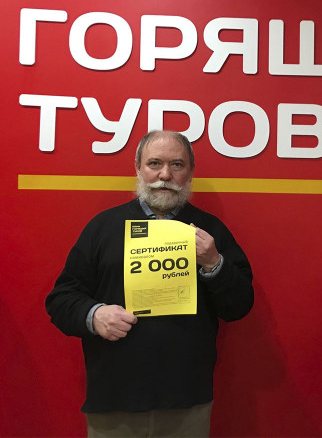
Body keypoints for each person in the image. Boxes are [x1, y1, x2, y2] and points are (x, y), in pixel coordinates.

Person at [46, 130, 254, 437]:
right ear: (138, 168)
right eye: (155, 163)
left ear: (190, 172)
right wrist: (94, 315)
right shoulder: (103, 227)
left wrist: (214, 263)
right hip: (114, 400)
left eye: (177, 165)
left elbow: (239, 305)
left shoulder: (211, 230)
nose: (165, 175)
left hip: (187, 402)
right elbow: (61, 299)